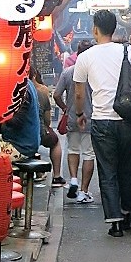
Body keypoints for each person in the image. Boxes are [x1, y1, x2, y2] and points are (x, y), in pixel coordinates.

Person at [73, 10, 131, 238]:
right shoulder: (128, 50)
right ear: (114, 28)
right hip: (127, 120)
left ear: (95, 29)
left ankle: (115, 221)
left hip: (102, 122)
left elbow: (79, 93)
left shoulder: (85, 57)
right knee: (127, 168)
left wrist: (80, 113)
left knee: (108, 171)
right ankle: (126, 212)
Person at [53, 39, 95, 203]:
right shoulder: (95, 72)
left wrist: (65, 107)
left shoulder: (68, 72)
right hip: (91, 118)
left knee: (73, 150)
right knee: (88, 154)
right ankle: (84, 192)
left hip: (72, 117)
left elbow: (56, 95)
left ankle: (73, 180)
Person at [30, 66, 64, 186]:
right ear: (34, 76)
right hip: (37, 132)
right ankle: (57, 176)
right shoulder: (42, 92)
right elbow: (47, 120)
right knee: (55, 141)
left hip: (15, 134)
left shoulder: (12, 92)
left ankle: (39, 171)